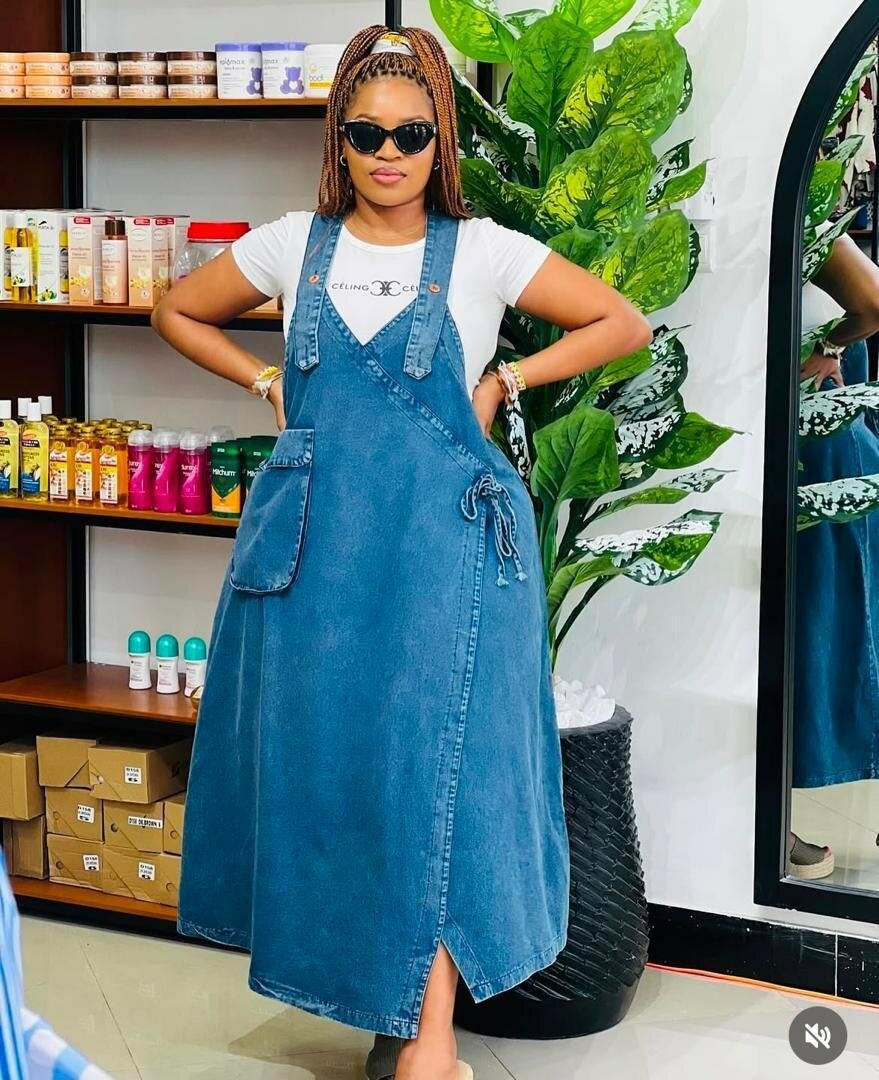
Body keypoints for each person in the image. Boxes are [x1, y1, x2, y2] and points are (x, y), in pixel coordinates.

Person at [152, 24, 651, 1080]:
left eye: (411, 134)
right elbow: (177, 309)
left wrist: (505, 381)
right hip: (316, 562)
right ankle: (388, 1011)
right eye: (367, 133)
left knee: (435, 779)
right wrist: (264, 381)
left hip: (446, 557)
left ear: (440, 142)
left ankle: (430, 1046)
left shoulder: (484, 252)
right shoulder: (291, 244)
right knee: (339, 778)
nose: (388, 153)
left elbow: (620, 321)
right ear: (339, 138)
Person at [791, 232, 879, 880]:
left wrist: (825, 348)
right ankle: (767, 821)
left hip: (823, 456)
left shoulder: (808, 212)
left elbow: (872, 302)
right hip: (814, 452)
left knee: (840, 631)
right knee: (824, 635)